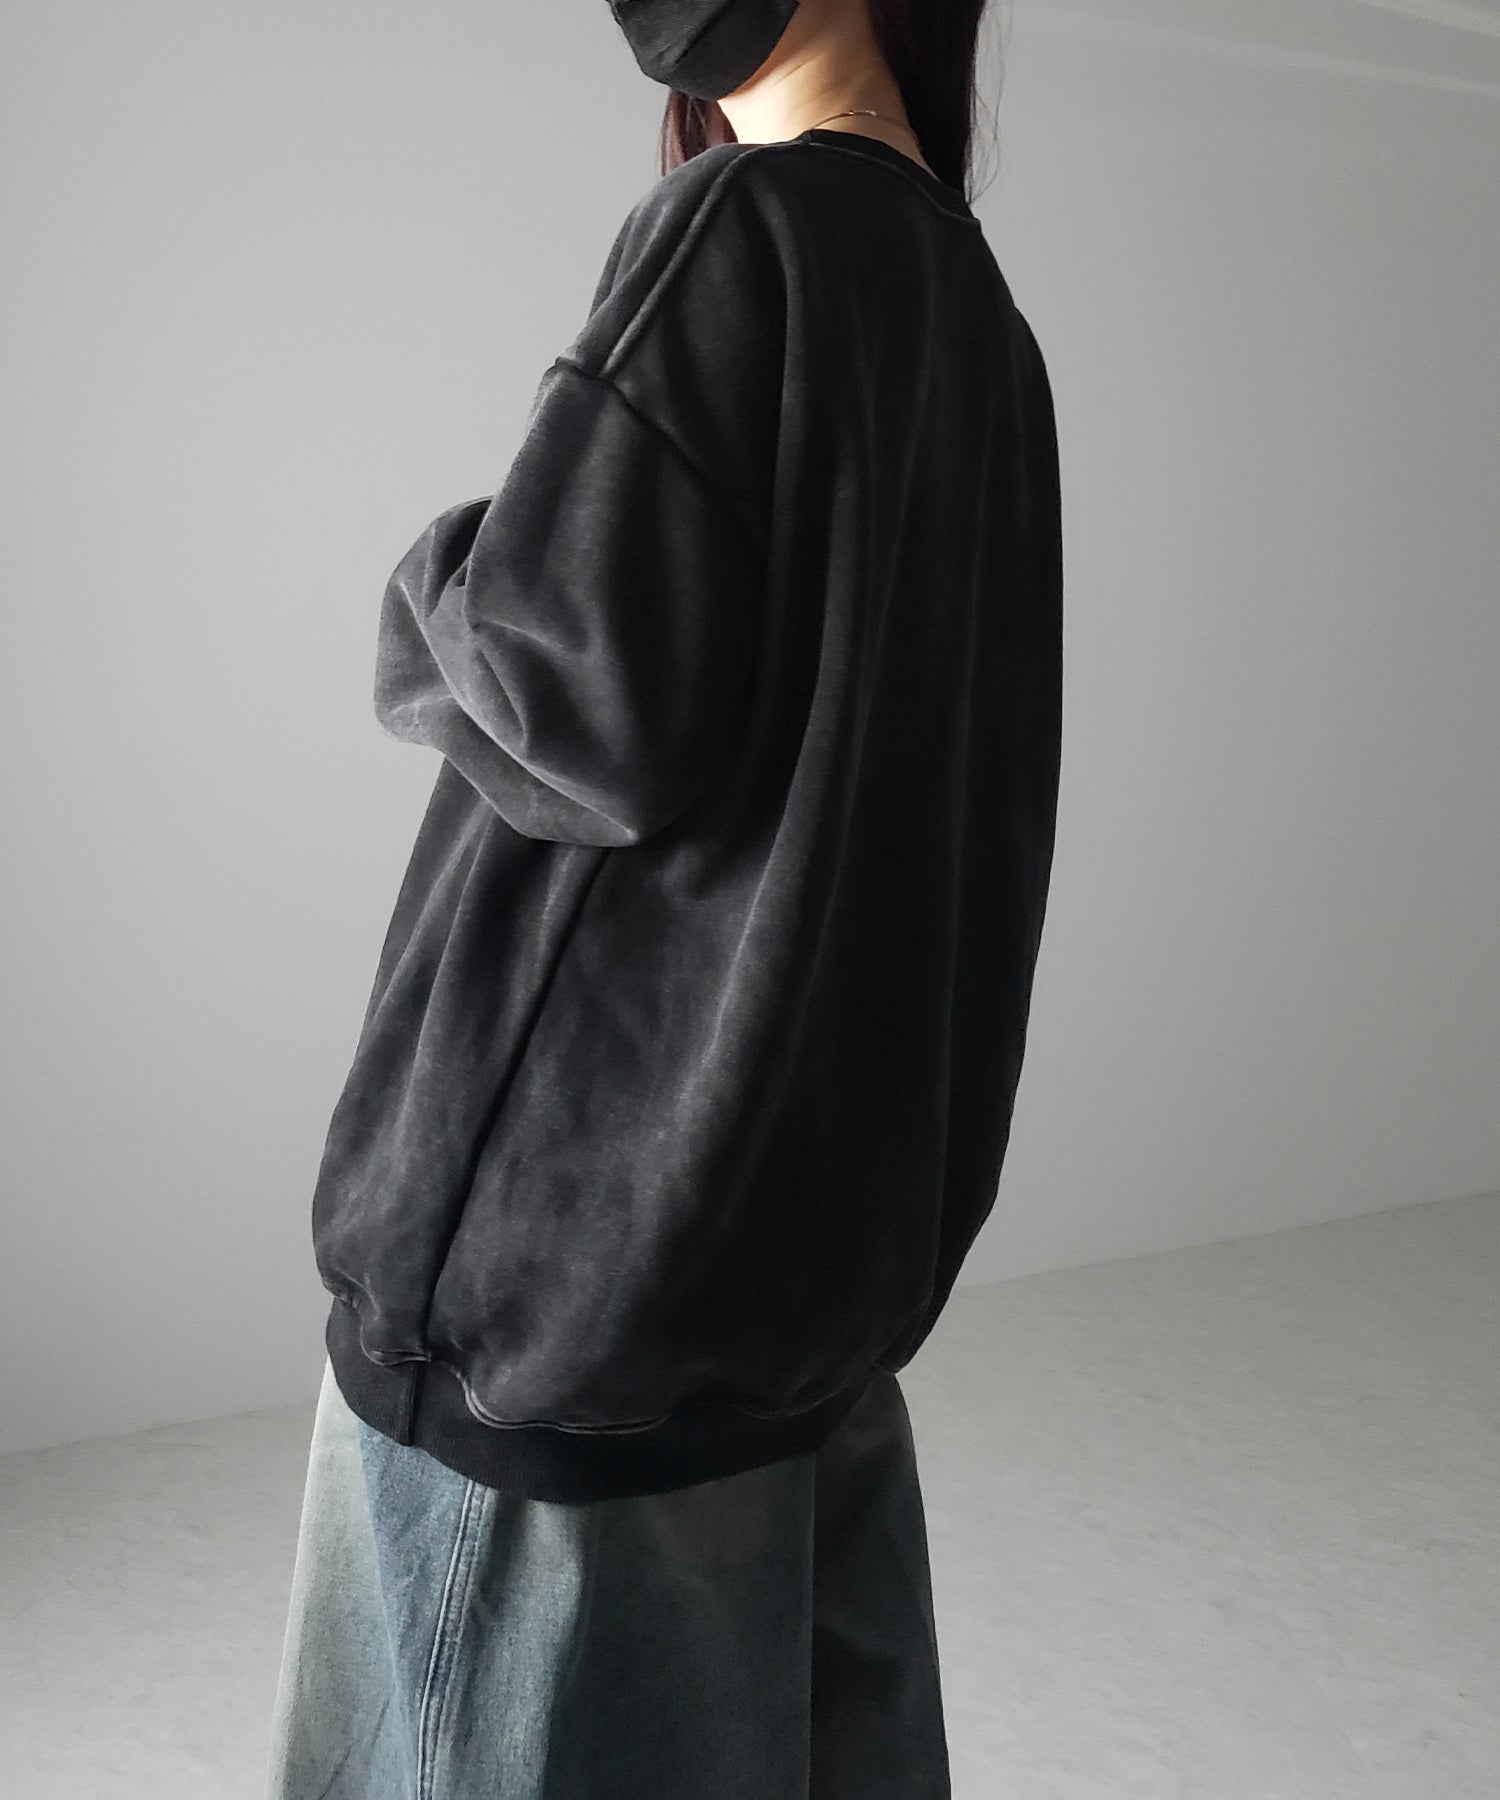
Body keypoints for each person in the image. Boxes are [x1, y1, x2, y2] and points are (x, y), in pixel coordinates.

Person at [265, 0, 1062, 1794]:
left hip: (568, 1299)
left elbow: (566, 689)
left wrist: (440, 573)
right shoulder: (984, 330)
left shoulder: (744, 228)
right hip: (802, 1284)